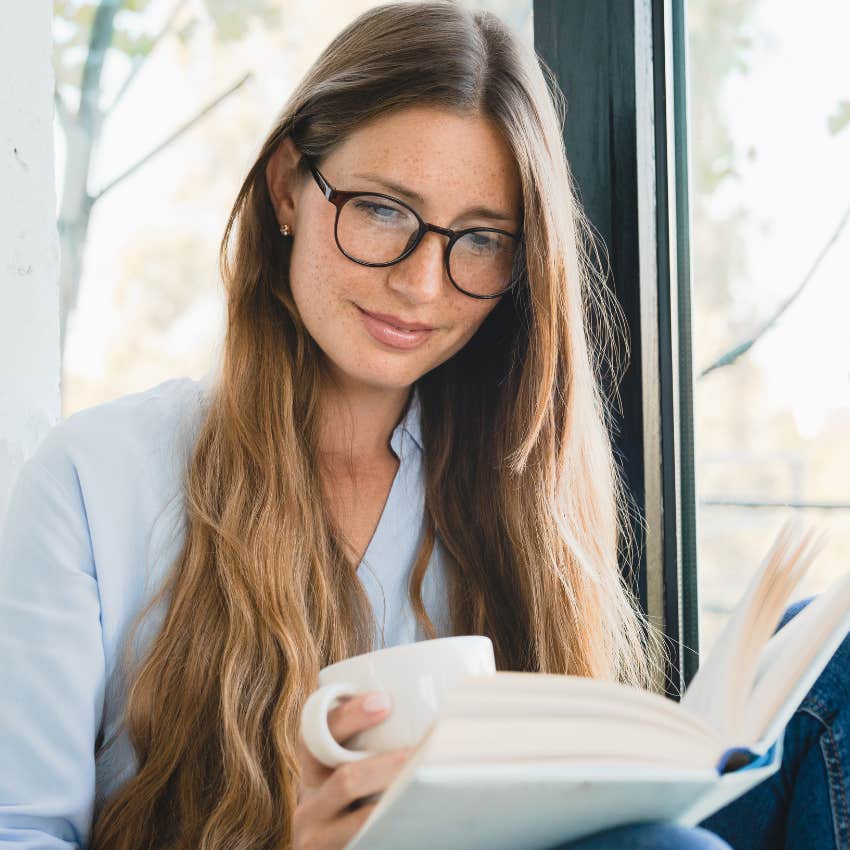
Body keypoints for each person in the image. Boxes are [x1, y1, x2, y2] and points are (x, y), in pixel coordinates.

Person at [1, 3, 848, 849]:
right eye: (381, 211)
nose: (422, 285)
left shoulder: (519, 488)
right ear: (287, 186)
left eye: (479, 240)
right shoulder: (97, 478)